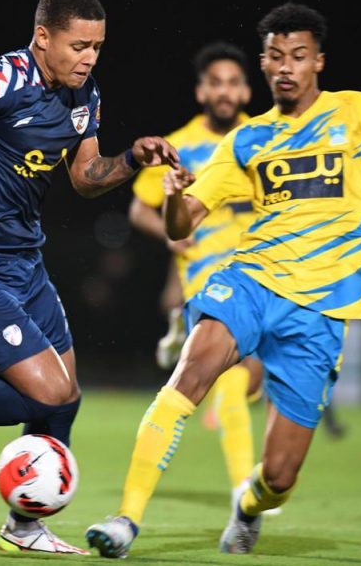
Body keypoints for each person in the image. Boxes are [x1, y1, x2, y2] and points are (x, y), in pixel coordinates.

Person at [86, 2, 361, 557]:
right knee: (192, 371)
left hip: (323, 310)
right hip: (251, 282)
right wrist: (175, 200)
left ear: (318, 62)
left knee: (279, 476)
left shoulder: (358, 113)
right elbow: (184, 225)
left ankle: (247, 505)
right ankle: (125, 520)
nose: (286, 66)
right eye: (276, 56)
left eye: (298, 56)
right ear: (263, 62)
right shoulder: (248, 141)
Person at [0, 0, 179, 555]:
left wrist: (131, 160)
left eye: (97, 46)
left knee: (65, 397)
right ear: (43, 37)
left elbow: (85, 175)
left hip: (25, 262)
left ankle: (23, 529)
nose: (89, 57)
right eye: (78, 45)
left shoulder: (83, 94)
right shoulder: (2, 77)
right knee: (47, 393)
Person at [128, 41, 268, 503]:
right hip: (208, 277)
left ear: (246, 90)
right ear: (201, 91)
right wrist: (170, 233)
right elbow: (139, 210)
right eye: (215, 84)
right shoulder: (180, 145)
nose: (224, 92)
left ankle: (179, 338)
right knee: (232, 384)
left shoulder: (265, 139)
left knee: (253, 381)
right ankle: (243, 495)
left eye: (232, 83)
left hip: (263, 273)